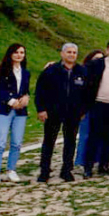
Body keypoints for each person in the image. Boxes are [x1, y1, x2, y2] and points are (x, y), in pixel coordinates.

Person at [35, 43, 89, 182]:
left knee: (70, 142)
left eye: (74, 53)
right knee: (49, 141)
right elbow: (40, 91)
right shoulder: (51, 70)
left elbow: (87, 94)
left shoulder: (82, 72)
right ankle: (44, 171)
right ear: (62, 54)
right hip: (53, 112)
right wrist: (41, 109)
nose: (71, 55)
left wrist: (83, 110)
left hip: (73, 113)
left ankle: (66, 170)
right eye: (69, 52)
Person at [83, 40, 109, 177]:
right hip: (98, 104)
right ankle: (88, 166)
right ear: (107, 51)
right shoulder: (96, 64)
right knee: (93, 137)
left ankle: (104, 165)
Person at [0, 44, 29, 183]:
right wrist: (10, 101)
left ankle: (11, 169)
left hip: (20, 111)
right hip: (4, 110)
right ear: (10, 53)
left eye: (22, 52)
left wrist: (26, 97)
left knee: (17, 142)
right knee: (1, 142)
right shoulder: (2, 70)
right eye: (16, 52)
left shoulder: (25, 72)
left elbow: (25, 89)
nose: (19, 55)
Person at [74, 49, 104, 169]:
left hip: (100, 106)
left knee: (99, 134)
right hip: (86, 107)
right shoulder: (83, 72)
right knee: (85, 135)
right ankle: (80, 160)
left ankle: (96, 159)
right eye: (96, 58)